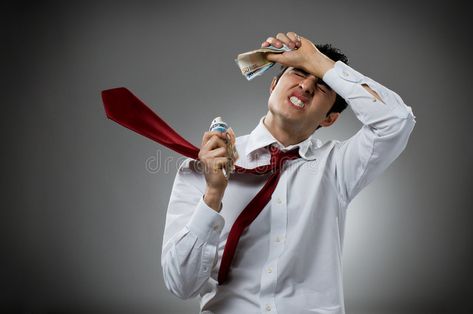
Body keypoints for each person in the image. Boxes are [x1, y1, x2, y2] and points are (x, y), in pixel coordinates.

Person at [161, 32, 415, 314]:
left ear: (330, 118)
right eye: (299, 72)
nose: (306, 86)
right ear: (273, 85)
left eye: (321, 86)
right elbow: (180, 285)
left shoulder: (338, 165)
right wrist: (212, 195)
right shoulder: (203, 166)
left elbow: (397, 121)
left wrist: (318, 61)